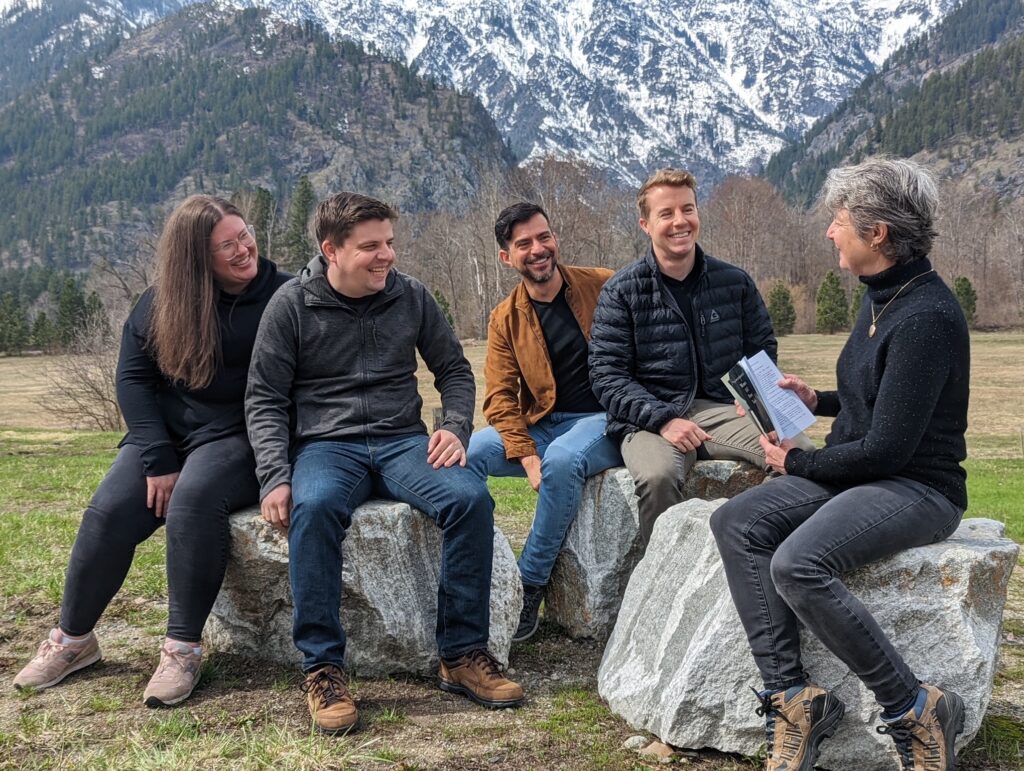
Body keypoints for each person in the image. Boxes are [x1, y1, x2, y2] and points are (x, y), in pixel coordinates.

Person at [709, 158, 969, 771]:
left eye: (838, 220)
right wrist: (817, 400)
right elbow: (880, 400)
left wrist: (798, 459)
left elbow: (889, 449)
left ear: (877, 233)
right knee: (736, 524)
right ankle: (793, 698)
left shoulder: (926, 315)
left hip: (917, 488)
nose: (830, 232)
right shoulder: (881, 297)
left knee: (798, 564)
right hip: (865, 476)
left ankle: (915, 708)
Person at [245, 191, 525, 734]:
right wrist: (275, 476)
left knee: (469, 499)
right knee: (316, 505)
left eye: (390, 244)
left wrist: (453, 426)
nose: (387, 256)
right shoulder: (291, 306)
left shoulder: (411, 297)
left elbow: (456, 372)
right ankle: (323, 669)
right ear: (332, 250)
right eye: (370, 247)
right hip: (327, 445)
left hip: (402, 441)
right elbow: (264, 398)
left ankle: (462, 655)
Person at [13, 195, 291, 706]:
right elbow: (133, 379)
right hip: (169, 435)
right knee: (109, 510)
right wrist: (157, 456)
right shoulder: (164, 300)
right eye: (225, 245)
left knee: (193, 500)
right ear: (195, 258)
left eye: (244, 234)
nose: (243, 248)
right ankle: (73, 640)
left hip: (242, 435)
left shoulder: (286, 295)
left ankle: (182, 650)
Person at [589, 168, 794, 549]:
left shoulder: (733, 282)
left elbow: (762, 348)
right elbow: (606, 375)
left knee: (797, 456)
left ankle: (752, 552)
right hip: (649, 416)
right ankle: (662, 580)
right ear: (645, 224)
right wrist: (664, 419)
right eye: (666, 213)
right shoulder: (622, 291)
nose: (680, 221)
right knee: (658, 476)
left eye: (688, 209)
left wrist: (752, 396)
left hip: (724, 409)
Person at [467, 203, 622, 642]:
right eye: (524, 244)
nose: (538, 249)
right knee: (473, 452)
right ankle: (482, 571)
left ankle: (528, 583)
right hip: (546, 423)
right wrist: (524, 453)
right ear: (506, 257)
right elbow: (499, 398)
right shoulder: (505, 317)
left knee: (561, 459)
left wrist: (541, 459)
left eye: (543, 237)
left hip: (604, 420)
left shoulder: (603, 285)